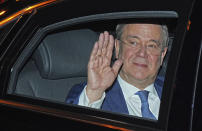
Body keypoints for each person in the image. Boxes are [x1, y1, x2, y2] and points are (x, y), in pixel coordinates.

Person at [66, 23, 168, 120]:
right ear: (118, 47)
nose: (142, 53)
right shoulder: (92, 95)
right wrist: (95, 92)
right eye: (133, 43)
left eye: (151, 45)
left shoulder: (177, 91)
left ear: (162, 54)